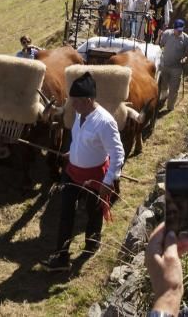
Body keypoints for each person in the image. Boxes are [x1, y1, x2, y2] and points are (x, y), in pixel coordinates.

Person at [41, 72, 125, 272]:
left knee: (92, 212)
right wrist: (73, 153)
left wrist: (108, 181)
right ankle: (61, 257)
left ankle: (92, 243)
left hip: (95, 176)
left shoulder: (105, 122)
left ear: (88, 100)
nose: (72, 105)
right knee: (65, 212)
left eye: (76, 101)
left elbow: (118, 154)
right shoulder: (80, 114)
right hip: (72, 172)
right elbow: (80, 139)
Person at [158, 19, 188, 112]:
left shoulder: (186, 38)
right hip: (164, 65)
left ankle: (170, 107)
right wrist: (159, 36)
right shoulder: (167, 34)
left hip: (177, 68)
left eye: (181, 30)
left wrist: (184, 58)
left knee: (174, 89)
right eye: (178, 30)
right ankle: (162, 101)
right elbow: (159, 45)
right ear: (174, 28)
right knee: (163, 86)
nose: (179, 31)